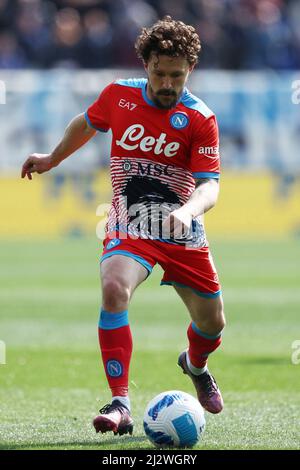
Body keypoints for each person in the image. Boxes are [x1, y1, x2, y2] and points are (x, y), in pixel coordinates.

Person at [21, 16, 226, 437]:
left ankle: (195, 365)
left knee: (212, 325)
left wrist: (188, 212)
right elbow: (86, 123)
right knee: (114, 288)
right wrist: (52, 159)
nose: (168, 83)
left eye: (177, 75)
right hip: (130, 220)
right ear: (146, 65)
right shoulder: (119, 95)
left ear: (190, 71)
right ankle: (120, 403)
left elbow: (210, 187)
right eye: (160, 73)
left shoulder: (201, 118)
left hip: (181, 227)